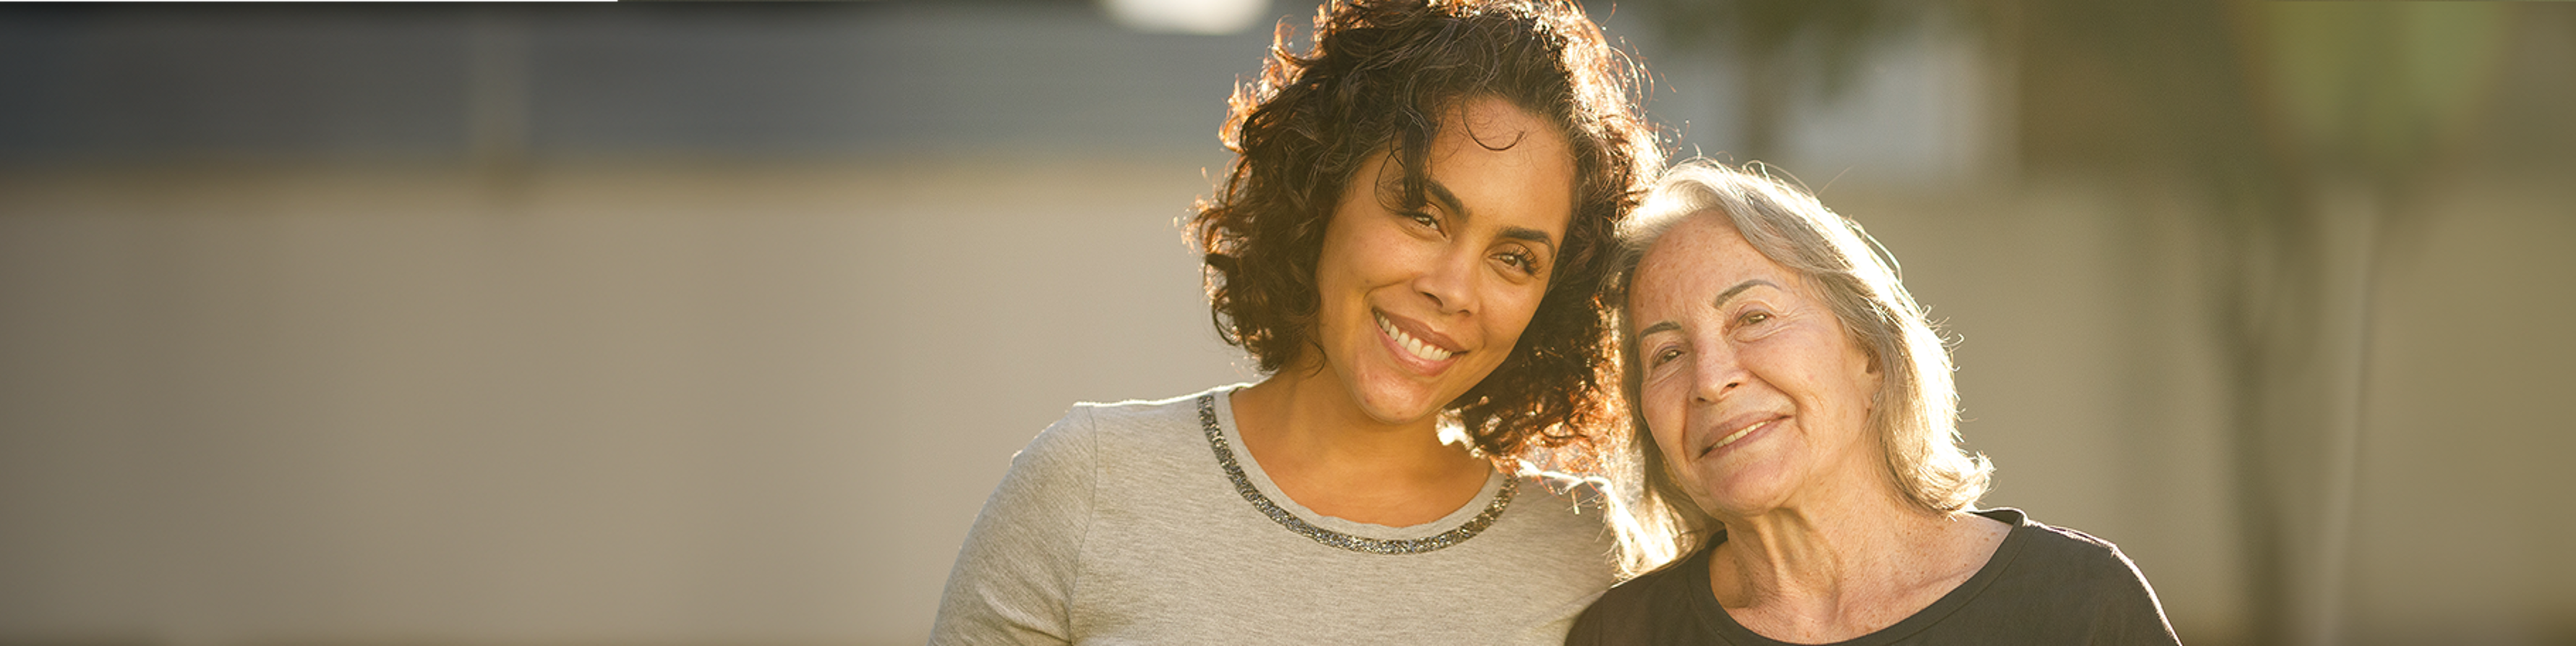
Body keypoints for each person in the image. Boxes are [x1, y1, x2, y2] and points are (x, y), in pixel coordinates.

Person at [925, 0, 1657, 643]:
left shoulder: (1585, 551)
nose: (1453, 289)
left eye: (1513, 258)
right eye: (1422, 214)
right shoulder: (1088, 483)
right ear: (1323, 188)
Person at [1568, 162, 2181, 645]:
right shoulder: (1621, 635)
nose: (1710, 378)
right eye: (1667, 354)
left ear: (1870, 352)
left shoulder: (2075, 605)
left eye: (1753, 317)